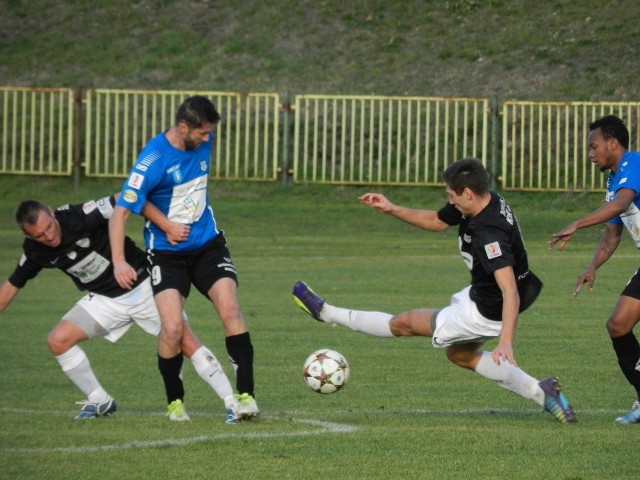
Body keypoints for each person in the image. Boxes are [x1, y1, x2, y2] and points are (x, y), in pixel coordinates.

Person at [293, 157, 576, 423]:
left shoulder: (489, 233)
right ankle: (543, 391)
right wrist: (392, 208)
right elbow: (437, 221)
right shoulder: (484, 200)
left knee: (404, 323)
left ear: (467, 192)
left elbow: (509, 291)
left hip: (487, 310)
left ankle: (326, 313)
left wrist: (506, 341)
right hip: (483, 295)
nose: (449, 200)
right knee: (460, 355)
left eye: (451, 195)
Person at [0, 195, 240, 423]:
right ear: (28, 235)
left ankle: (232, 402)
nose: (49, 236)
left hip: (145, 288)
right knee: (58, 340)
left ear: (52, 214)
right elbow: (12, 285)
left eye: (49, 227)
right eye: (40, 235)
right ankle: (99, 400)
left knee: (185, 341)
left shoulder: (79, 216)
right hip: (107, 301)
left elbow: (128, 196)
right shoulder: (35, 250)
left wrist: (164, 225)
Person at [109, 95, 259, 421]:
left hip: (208, 245)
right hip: (166, 254)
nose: (208, 139)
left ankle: (246, 398)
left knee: (230, 308)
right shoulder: (152, 160)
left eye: (209, 133)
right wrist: (122, 259)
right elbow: (122, 210)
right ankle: (175, 402)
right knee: (173, 328)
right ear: (183, 127)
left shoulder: (202, 139)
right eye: (203, 133)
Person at [549, 114, 640, 424]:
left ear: (613, 144)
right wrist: (592, 266)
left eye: (593, 146)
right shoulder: (613, 179)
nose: (590, 154)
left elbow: (620, 205)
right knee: (618, 325)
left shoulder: (635, 164)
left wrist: (577, 222)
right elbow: (613, 233)